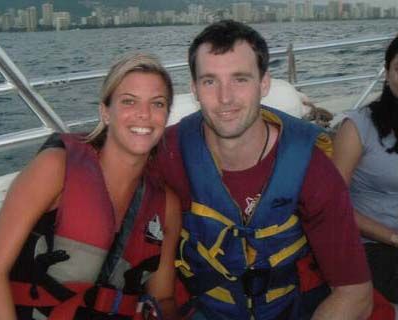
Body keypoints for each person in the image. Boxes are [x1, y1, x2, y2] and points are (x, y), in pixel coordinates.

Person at [155, 20, 372, 319]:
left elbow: (355, 294)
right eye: (209, 81)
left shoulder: (311, 167)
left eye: (240, 79)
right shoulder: (168, 152)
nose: (225, 97)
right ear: (194, 89)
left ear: (264, 83)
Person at [0, 53, 181, 320]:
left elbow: (163, 298)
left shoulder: (166, 205)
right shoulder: (56, 166)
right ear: (106, 112)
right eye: (129, 101)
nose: (144, 114)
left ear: (166, 115)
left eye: (157, 104)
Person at [333, 36, 398, 305]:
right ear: (387, 73)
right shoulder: (359, 127)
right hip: (374, 245)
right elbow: (333, 204)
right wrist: (394, 237)